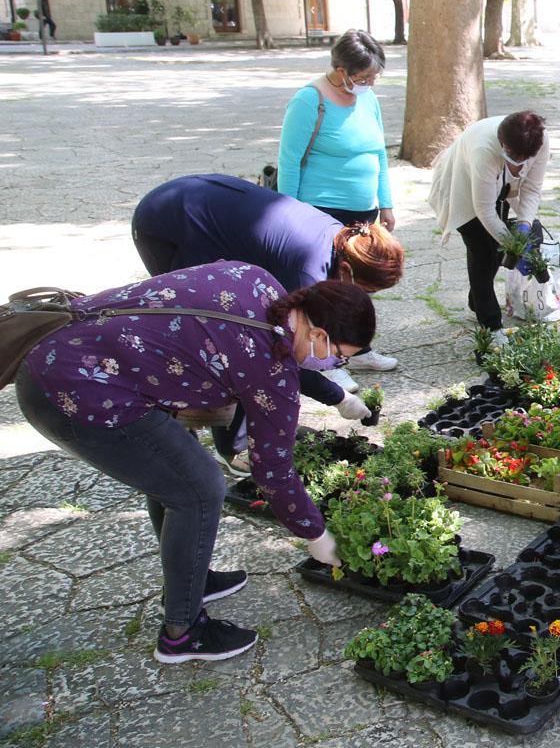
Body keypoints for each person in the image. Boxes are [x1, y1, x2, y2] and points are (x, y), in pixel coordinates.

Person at [14, 262, 362, 663]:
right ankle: (182, 632)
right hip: (75, 395)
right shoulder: (270, 370)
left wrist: (336, 396)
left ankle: (192, 580)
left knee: (176, 474)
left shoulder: (260, 284)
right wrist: (316, 535)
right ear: (319, 334)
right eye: (338, 357)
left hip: (65, 354)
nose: (334, 365)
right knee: (199, 489)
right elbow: (273, 471)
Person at [131, 173, 405, 472]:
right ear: (346, 269)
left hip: (205, 200)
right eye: (367, 290)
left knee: (240, 332)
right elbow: (277, 352)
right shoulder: (305, 271)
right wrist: (336, 397)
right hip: (170, 222)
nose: (364, 297)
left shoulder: (347, 240)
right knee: (223, 336)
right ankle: (231, 447)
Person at [428, 111, 549, 341]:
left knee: (496, 251)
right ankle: (491, 325)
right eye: (513, 155)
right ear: (503, 143)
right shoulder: (484, 149)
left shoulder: (541, 140)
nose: (519, 162)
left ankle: (477, 302)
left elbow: (532, 189)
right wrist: (513, 246)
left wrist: (524, 226)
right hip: (465, 186)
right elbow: (483, 209)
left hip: (500, 188)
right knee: (481, 252)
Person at [278, 29, 394, 233]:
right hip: (321, 214)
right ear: (341, 71)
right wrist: (289, 218)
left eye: (375, 76)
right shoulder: (308, 101)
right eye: (364, 78)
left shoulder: (369, 98)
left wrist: (386, 204)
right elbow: (289, 162)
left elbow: (379, 154)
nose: (371, 83)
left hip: (366, 215)